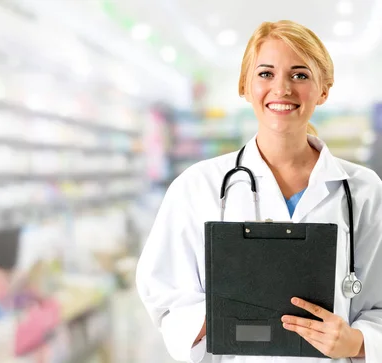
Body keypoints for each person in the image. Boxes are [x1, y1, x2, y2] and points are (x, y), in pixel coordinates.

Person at [136, 20, 382, 363]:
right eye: (266, 74)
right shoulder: (198, 187)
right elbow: (164, 295)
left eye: (300, 75)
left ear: (323, 90)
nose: (282, 89)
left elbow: (379, 305)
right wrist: (218, 315)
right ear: (245, 86)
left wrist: (358, 342)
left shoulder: (365, 191)